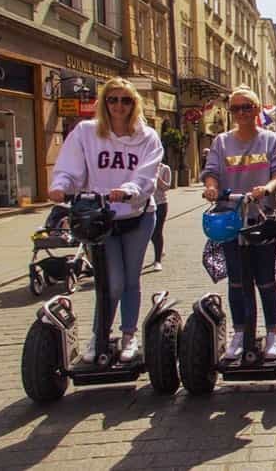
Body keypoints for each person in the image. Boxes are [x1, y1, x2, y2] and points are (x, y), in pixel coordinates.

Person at [48, 77, 163, 363]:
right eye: (113, 100)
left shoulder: (147, 137)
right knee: (110, 281)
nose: (119, 106)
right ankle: (99, 336)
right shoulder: (86, 132)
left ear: (134, 104)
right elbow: (70, 167)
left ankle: (128, 334)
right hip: (98, 218)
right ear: (104, 103)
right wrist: (60, 185)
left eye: (125, 100)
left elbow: (147, 175)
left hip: (138, 214)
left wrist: (128, 191)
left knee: (130, 280)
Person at [201, 85, 276, 360]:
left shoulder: (270, 139)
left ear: (257, 109)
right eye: (236, 108)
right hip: (230, 219)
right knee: (237, 281)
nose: (242, 113)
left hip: (262, 217)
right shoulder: (221, 142)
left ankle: (273, 333)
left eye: (247, 107)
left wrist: (268, 187)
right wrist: (212, 188)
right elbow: (212, 171)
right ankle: (240, 332)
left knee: (265, 279)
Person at [151, 160, 171, 271]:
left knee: (157, 232)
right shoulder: (145, 166)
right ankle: (160, 249)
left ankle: (157, 261)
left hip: (160, 204)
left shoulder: (165, 168)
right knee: (148, 233)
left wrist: (157, 178)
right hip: (146, 205)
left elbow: (166, 187)